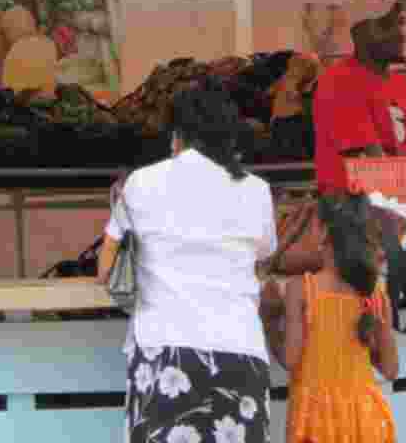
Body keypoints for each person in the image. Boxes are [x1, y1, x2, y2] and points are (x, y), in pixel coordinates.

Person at [97, 76, 277, 443]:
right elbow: (265, 253)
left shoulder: (141, 183)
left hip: (163, 350)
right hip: (238, 351)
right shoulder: (256, 191)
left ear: (176, 135)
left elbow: (105, 269)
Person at [278, 194, 399, 443]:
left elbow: (291, 359)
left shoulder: (301, 289)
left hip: (316, 423)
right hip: (365, 420)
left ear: (323, 233)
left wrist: (269, 325)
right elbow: (389, 369)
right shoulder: (374, 293)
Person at [313, 0, 406, 195]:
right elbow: (368, 158)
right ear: (358, 34)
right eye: (386, 25)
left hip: (396, 206)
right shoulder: (339, 81)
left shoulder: (403, 83)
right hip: (354, 212)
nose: (399, 34)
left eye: (400, 24)